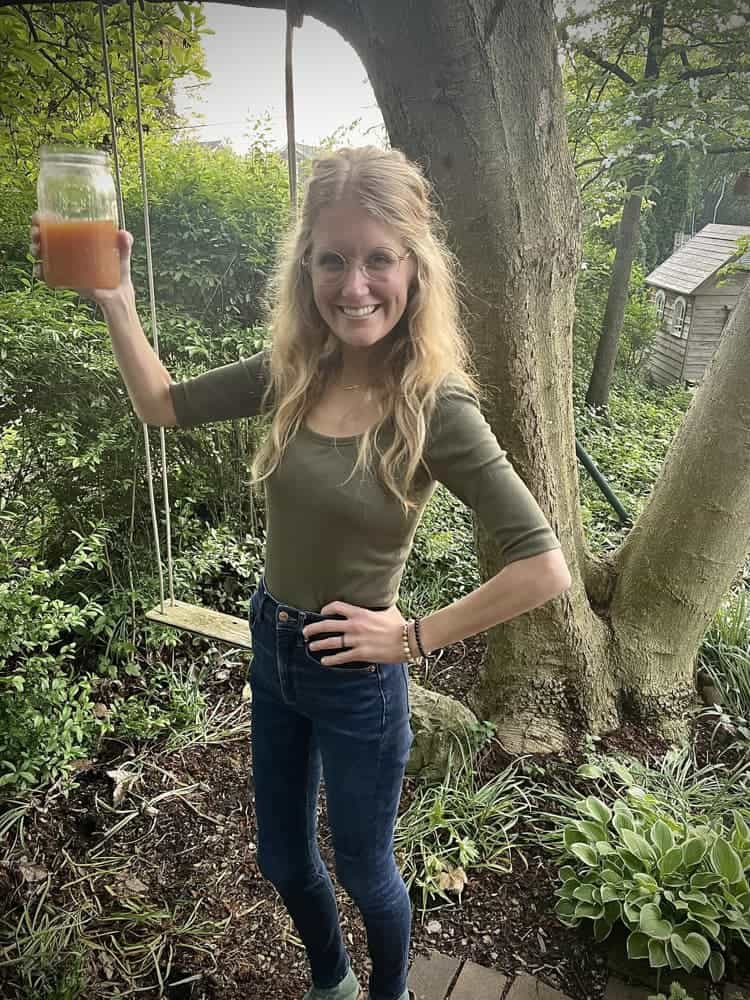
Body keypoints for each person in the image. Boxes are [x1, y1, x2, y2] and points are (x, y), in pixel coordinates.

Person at [31, 146, 571, 1000]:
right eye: (332, 259)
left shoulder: (437, 406)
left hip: (357, 674)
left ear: (415, 267)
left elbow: (544, 568)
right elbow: (161, 407)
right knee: (281, 859)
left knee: (366, 870)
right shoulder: (295, 371)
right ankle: (333, 983)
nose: (354, 285)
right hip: (272, 643)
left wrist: (413, 636)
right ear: (307, 266)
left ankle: (389, 993)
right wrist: (117, 303)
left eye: (377, 259)